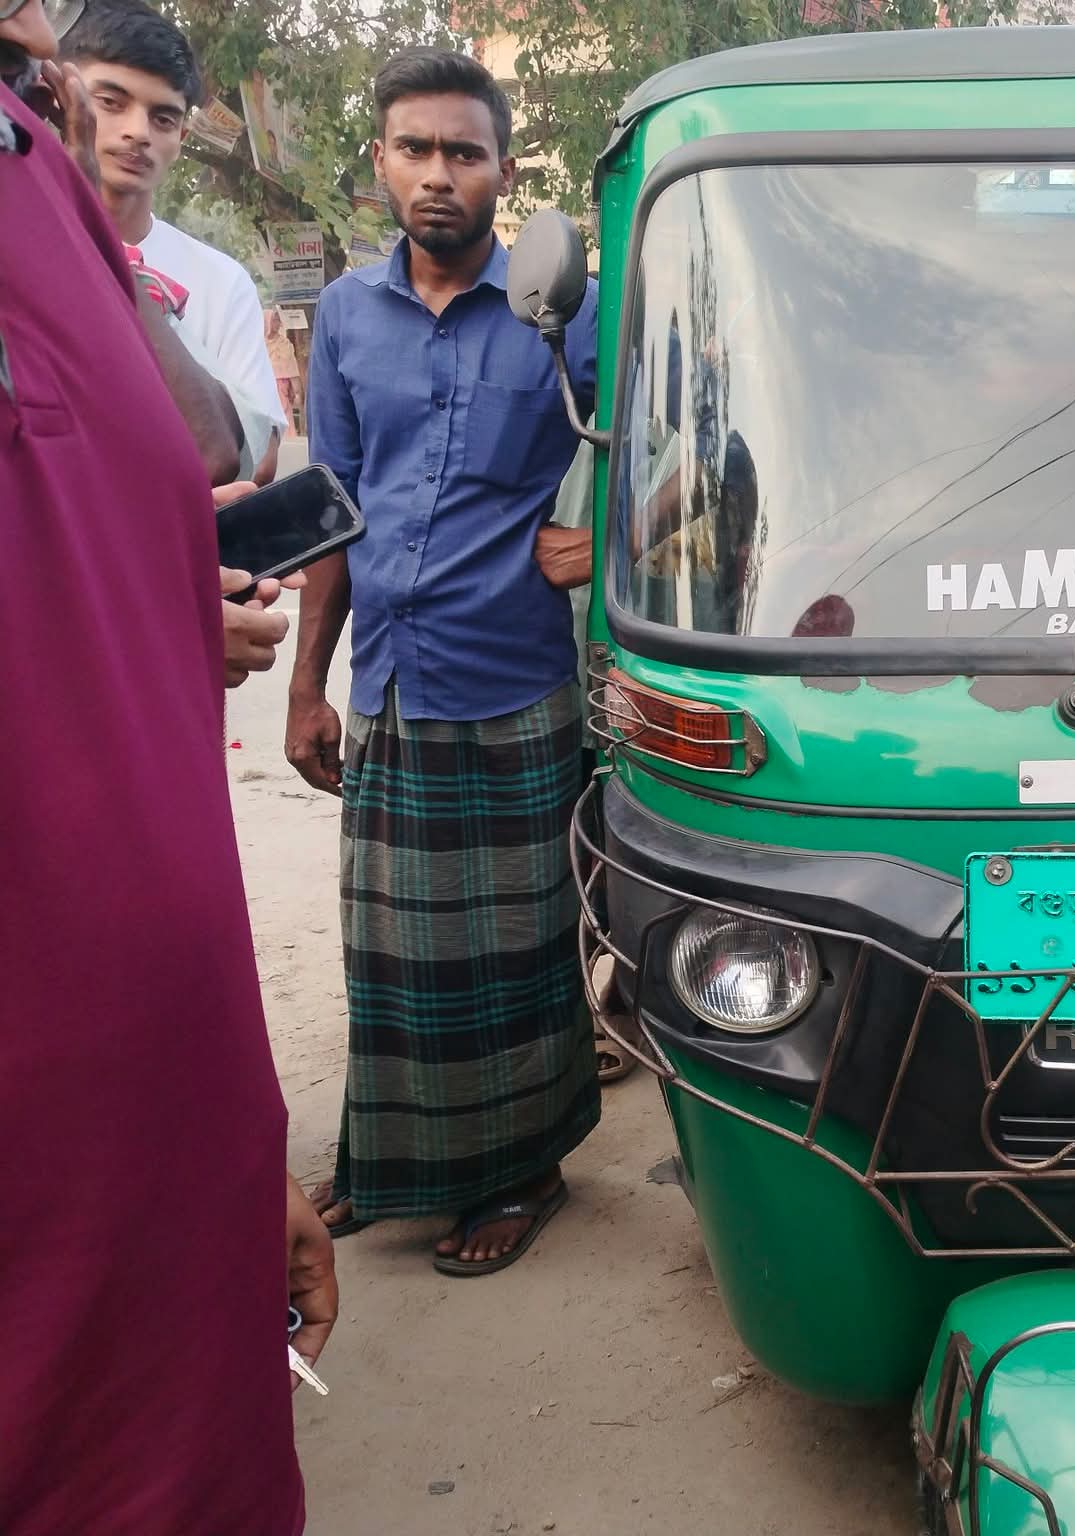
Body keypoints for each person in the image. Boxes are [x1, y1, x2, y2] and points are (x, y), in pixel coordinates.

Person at [1, 0, 334, 1528]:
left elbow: (187, 464)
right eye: (102, 95)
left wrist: (235, 1157)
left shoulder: (41, 184)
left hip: (156, 1158)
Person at [290, 47, 601, 1274]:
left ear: (501, 171)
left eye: (463, 154)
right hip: (393, 683)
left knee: (515, 951)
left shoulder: (564, 315)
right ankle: (393, 1162)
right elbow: (331, 508)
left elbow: (675, 445)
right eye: (414, 149)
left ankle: (523, 1175)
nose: (436, 175)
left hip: (517, 678)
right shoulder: (349, 320)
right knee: (392, 954)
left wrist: (610, 541)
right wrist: (310, 686)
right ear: (380, 161)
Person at [61, 0, 282, 479]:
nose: (137, 132)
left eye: (162, 118)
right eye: (111, 102)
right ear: (58, 94)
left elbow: (255, 460)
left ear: (182, 134)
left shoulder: (221, 281)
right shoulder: (20, 247)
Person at [267, 305, 301, 434]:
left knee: (284, 418)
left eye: (278, 320)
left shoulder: (284, 343)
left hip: (282, 389)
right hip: (264, 390)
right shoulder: (258, 344)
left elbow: (291, 368)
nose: (278, 324)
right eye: (274, 320)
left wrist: (297, 393)